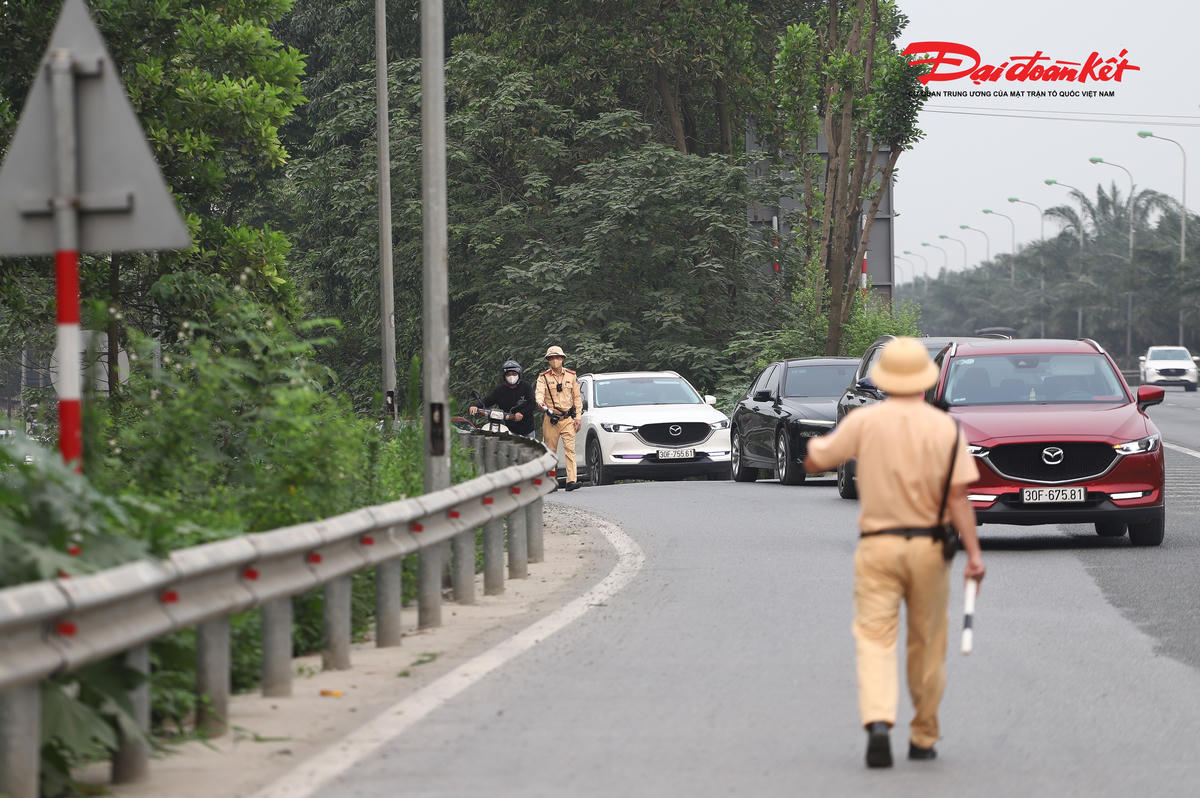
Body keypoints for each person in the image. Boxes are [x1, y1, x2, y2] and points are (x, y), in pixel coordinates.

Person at [802, 336, 987, 769]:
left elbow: (819, 460)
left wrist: (814, 449)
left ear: (883, 382)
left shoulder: (866, 422)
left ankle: (880, 720)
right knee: (927, 642)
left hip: (878, 547)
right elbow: (959, 498)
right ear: (925, 382)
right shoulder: (945, 427)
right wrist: (975, 555)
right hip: (929, 548)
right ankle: (923, 735)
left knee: (875, 638)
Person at [535, 345, 582, 491]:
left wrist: (578, 417)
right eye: (551, 358)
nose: (555, 360)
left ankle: (571, 481)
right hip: (551, 419)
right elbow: (539, 395)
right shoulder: (543, 377)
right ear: (548, 360)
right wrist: (541, 404)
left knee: (570, 450)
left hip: (568, 418)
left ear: (562, 358)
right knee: (550, 451)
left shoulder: (571, 375)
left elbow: (577, 398)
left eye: (557, 357)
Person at [470, 359, 536, 438]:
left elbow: (532, 404)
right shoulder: (500, 390)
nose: (511, 376)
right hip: (510, 429)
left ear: (519, 374)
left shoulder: (526, 386)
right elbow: (488, 400)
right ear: (504, 376)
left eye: (514, 374)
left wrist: (522, 413)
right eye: (508, 374)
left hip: (527, 429)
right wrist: (476, 406)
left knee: (530, 449)